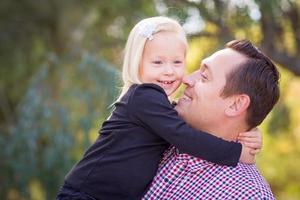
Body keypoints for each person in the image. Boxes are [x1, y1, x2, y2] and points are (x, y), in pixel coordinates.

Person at [56, 17, 261, 200]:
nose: (169, 71)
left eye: (177, 62)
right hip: (86, 194)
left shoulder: (158, 107)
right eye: (157, 62)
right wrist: (236, 151)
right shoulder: (144, 96)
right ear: (138, 64)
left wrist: (247, 129)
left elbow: (186, 122)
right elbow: (184, 135)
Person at [143, 39, 279, 200]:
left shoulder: (247, 195)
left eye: (204, 77)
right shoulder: (149, 131)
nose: (186, 79)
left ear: (236, 104)